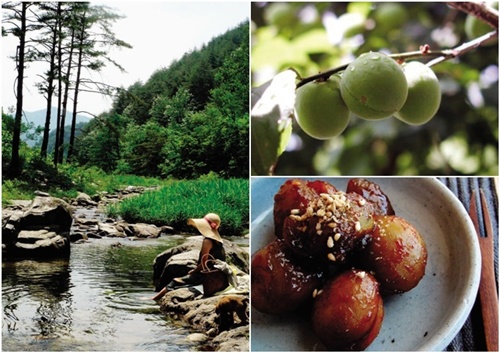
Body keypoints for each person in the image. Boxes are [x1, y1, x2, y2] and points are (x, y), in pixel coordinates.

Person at [150, 213, 226, 301]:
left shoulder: (207, 241)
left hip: (205, 275)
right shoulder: (219, 242)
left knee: (175, 281)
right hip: (217, 273)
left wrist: (193, 271)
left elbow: (203, 263)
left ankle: (154, 299)